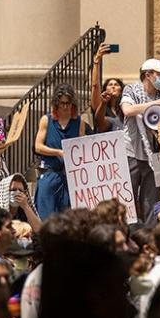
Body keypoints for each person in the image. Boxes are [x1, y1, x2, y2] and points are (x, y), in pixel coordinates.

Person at [121, 58, 160, 220]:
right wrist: (157, 104)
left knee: (152, 201)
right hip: (132, 152)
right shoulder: (131, 89)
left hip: (156, 155)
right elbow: (127, 110)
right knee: (127, 199)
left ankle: (149, 235)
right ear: (148, 75)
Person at [33, 84, 86, 220]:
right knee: (46, 215)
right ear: (56, 103)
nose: (64, 106)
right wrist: (59, 152)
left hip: (71, 176)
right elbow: (38, 147)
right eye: (61, 103)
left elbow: (82, 145)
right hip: (50, 172)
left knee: (68, 216)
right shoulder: (47, 120)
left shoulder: (79, 121)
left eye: (68, 103)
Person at [89, 43, 125, 133]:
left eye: (116, 84)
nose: (113, 86)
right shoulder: (101, 105)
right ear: (105, 89)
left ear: (121, 90)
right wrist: (97, 60)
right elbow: (95, 86)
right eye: (110, 84)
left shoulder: (125, 108)